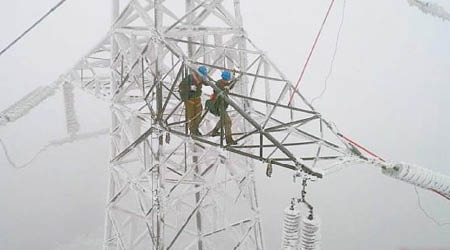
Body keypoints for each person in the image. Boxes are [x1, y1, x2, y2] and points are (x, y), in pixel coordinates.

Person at [207, 70, 237, 145]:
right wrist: (227, 88)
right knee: (228, 122)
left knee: (222, 119)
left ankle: (215, 131)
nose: (227, 81)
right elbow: (224, 91)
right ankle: (228, 140)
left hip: (222, 105)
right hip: (219, 106)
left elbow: (229, 86)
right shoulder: (219, 83)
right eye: (226, 80)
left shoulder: (223, 83)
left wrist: (234, 80)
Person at [179, 66, 208, 136]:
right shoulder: (189, 78)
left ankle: (196, 129)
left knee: (198, 114)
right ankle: (192, 130)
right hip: (190, 99)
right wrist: (189, 87)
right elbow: (181, 86)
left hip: (197, 98)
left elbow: (206, 83)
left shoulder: (201, 78)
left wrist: (208, 81)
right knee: (191, 116)